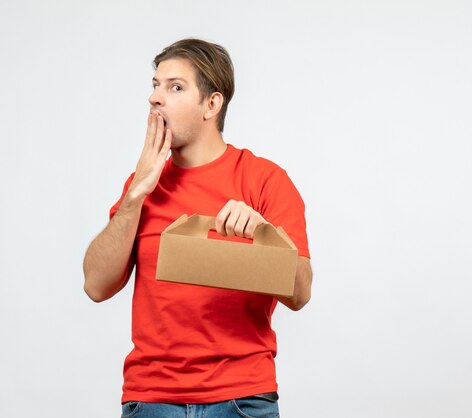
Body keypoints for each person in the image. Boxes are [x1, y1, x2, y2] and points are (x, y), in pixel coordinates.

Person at [82, 38, 312, 418]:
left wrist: (264, 237)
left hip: (243, 399)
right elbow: (95, 285)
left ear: (211, 104)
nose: (156, 98)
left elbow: (301, 293)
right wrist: (136, 195)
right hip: (151, 400)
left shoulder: (265, 180)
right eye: (155, 85)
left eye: (175, 87)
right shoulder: (139, 187)